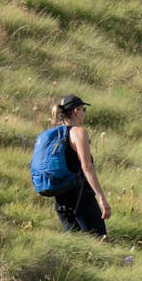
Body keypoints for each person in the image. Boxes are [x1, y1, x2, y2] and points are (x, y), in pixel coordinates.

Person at [48, 94, 110, 237]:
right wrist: (101, 198)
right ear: (76, 111)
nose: (84, 114)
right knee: (99, 241)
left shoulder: (55, 134)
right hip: (81, 198)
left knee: (76, 246)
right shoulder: (78, 132)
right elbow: (87, 166)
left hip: (61, 198)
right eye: (83, 110)